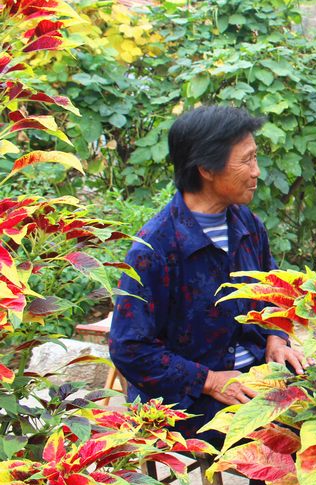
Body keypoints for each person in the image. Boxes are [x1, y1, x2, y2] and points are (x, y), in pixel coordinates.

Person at [110, 106, 304, 445]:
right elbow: (129, 347)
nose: (257, 172)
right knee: (280, 442)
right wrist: (210, 380)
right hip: (186, 398)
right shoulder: (155, 248)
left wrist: (277, 337)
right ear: (206, 169)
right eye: (247, 160)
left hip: (254, 376)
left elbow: (274, 292)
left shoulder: (247, 225)